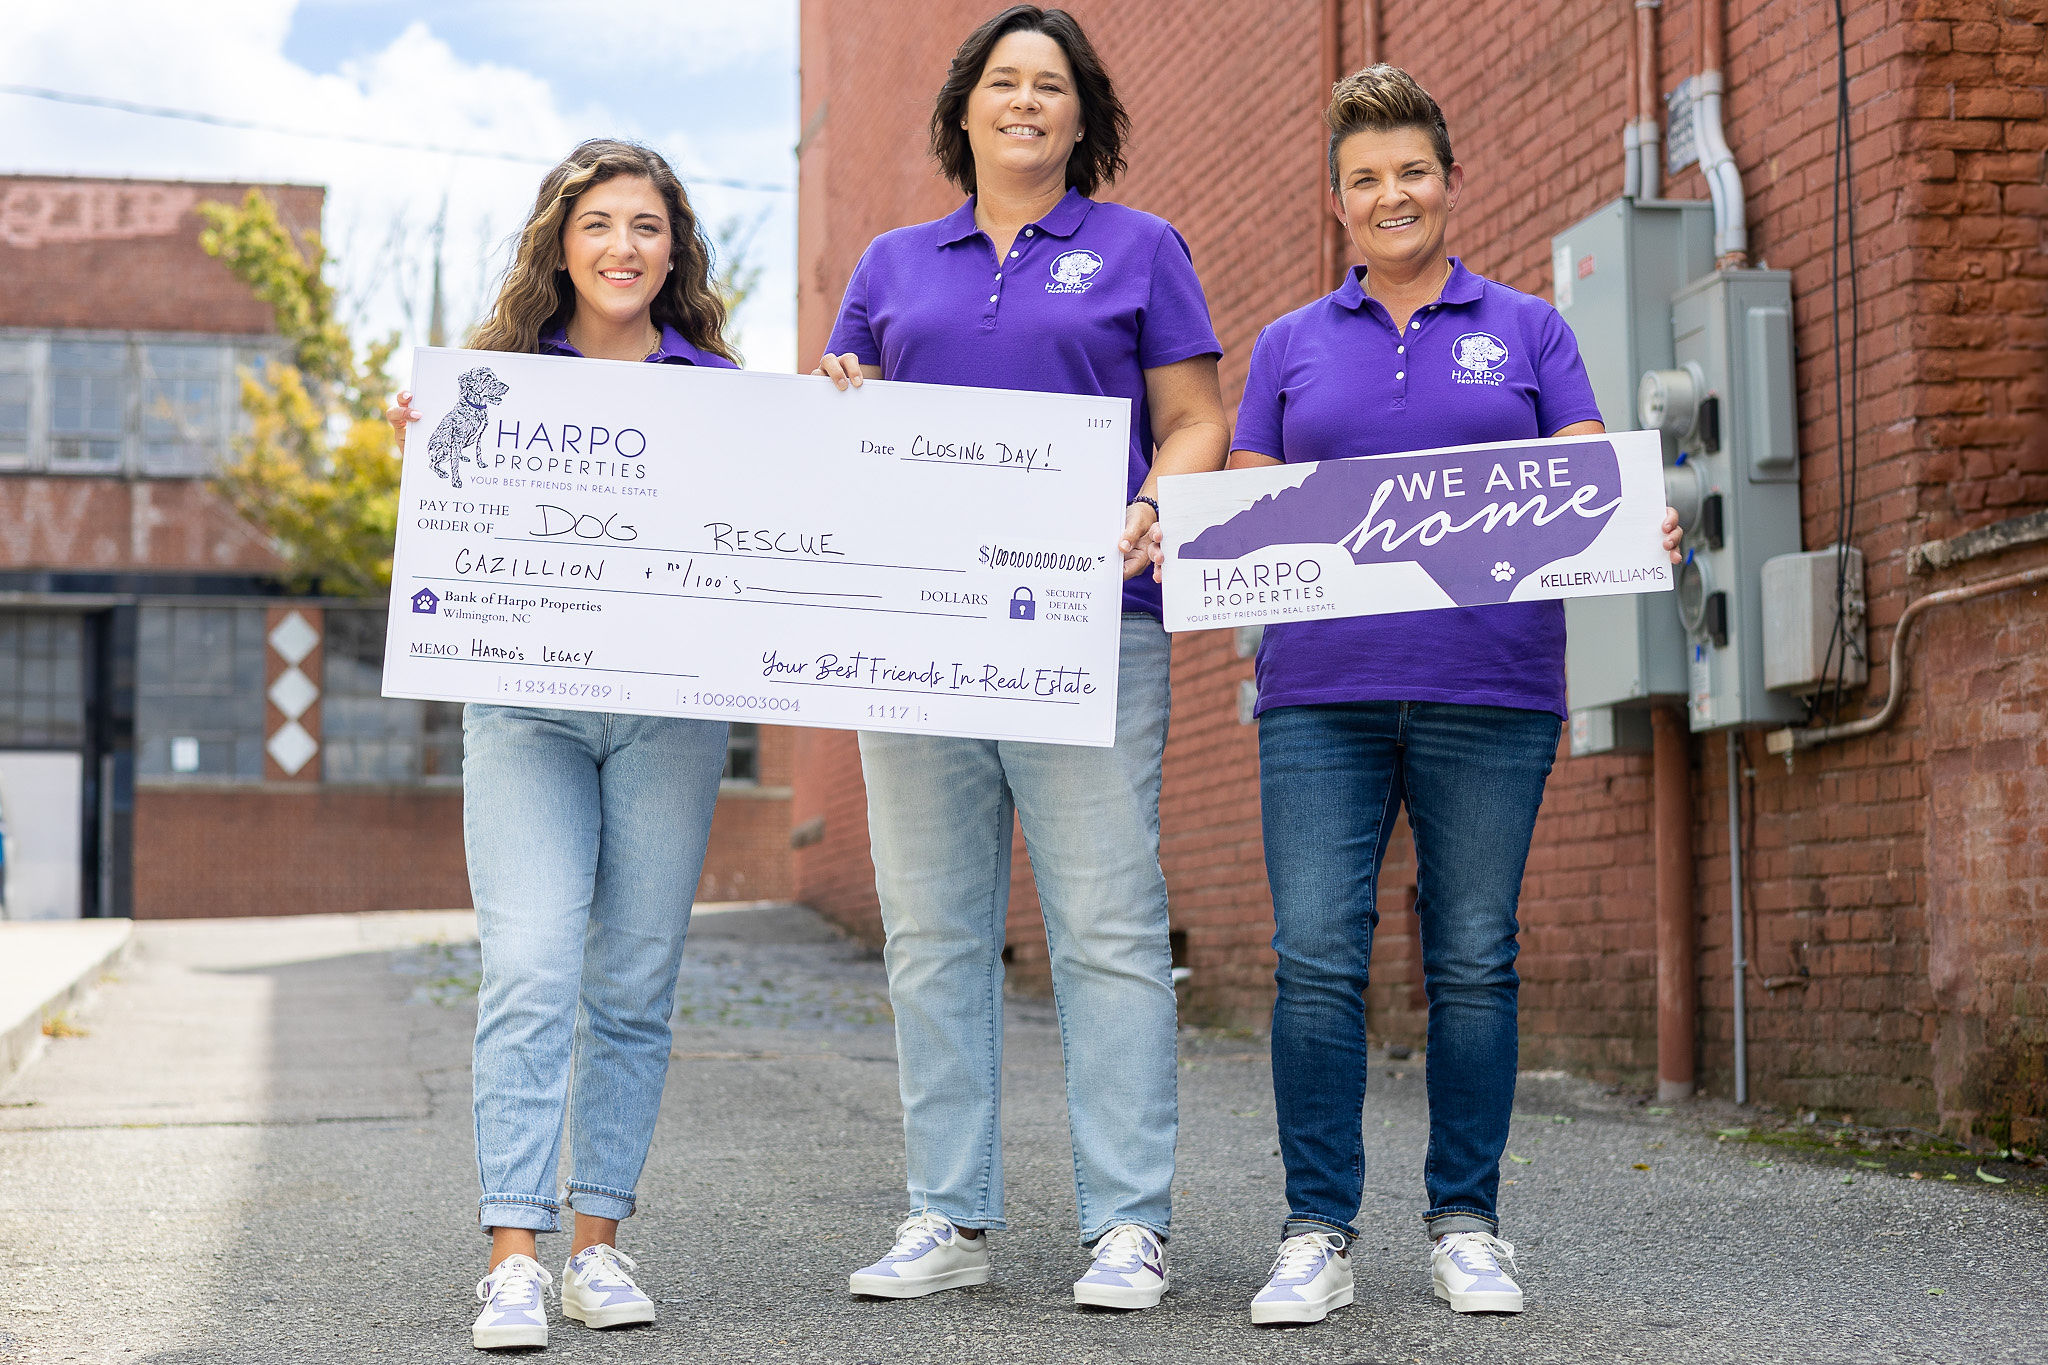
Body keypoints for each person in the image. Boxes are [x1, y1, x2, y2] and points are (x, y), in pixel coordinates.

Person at [1218, 67, 1685, 1325]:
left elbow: (1583, 476)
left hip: (1491, 684)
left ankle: (1466, 1223)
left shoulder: (1529, 328)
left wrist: (1639, 523)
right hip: (1320, 692)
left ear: (1447, 180)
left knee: (1472, 959)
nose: (1390, 196)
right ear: (1335, 201)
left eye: (1410, 171)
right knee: (1314, 958)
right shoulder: (1285, 347)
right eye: (1364, 179)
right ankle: (1316, 1230)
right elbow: (1246, 508)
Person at [816, 4, 1228, 1312]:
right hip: (918, 640)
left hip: (1092, 627)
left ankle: (1129, 1225)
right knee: (934, 936)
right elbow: (850, 427)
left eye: (1052, 86)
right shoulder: (892, 264)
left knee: (1106, 928)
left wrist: (1161, 500)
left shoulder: (1141, 250)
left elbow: (1196, 417)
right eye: (1006, 82)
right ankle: (947, 1211)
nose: (1027, 102)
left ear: (1081, 114)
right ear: (967, 108)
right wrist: (837, 401)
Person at [387, 138, 737, 1352]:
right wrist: (420, 453)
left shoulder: (726, 392)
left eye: (647, 227)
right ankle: (514, 1256)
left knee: (633, 985)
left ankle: (597, 1247)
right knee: (532, 970)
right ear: (560, 240)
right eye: (599, 224)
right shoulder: (491, 386)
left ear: (674, 250)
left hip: (671, 717)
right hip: (524, 709)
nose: (623, 248)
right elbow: (448, 540)